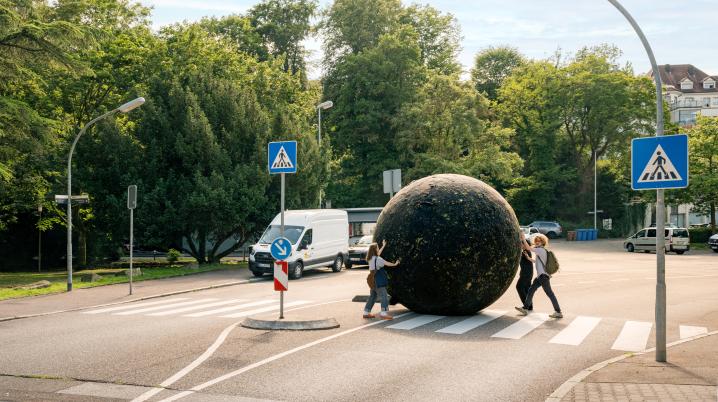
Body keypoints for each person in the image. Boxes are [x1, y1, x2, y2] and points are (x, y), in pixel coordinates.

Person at [516, 234, 562, 318]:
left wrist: (523, 239)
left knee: (550, 294)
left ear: (542, 242)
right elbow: (537, 262)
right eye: (536, 241)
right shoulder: (541, 251)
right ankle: (525, 308)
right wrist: (529, 258)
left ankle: (558, 311)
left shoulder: (540, 250)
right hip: (540, 277)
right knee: (531, 290)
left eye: (539, 241)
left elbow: (528, 248)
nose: (537, 243)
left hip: (543, 277)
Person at [363, 239, 400, 320]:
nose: (378, 248)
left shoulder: (370, 258)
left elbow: (378, 254)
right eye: (377, 247)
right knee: (384, 296)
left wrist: (383, 246)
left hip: (372, 280)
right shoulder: (378, 259)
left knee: (373, 296)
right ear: (375, 249)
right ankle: (383, 313)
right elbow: (387, 263)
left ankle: (366, 312)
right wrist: (395, 264)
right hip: (378, 280)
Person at [516, 232, 534, 311]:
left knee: (519, 287)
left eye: (521, 244)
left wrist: (522, 237)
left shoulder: (525, 251)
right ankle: (529, 306)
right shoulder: (525, 252)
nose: (520, 245)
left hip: (526, 274)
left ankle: (525, 306)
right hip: (528, 273)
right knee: (526, 289)